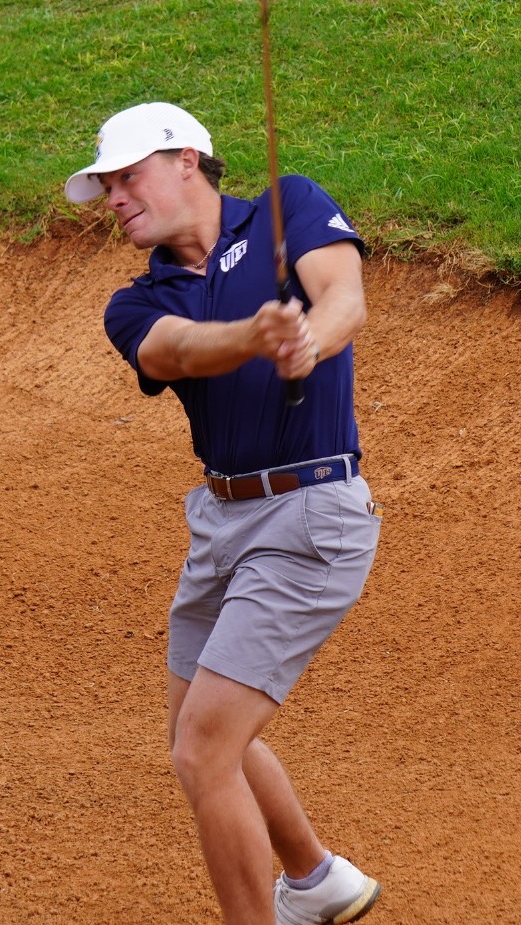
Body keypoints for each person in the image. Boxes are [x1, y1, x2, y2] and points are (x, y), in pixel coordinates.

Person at [68, 102, 383, 925]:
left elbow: (344, 295)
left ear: (185, 161)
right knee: (198, 736)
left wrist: (310, 338)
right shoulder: (136, 301)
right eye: (106, 187)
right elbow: (174, 349)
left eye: (126, 177)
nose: (115, 199)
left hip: (309, 516)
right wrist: (254, 333)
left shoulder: (289, 204)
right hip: (221, 524)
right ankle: (316, 879)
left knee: (205, 746)